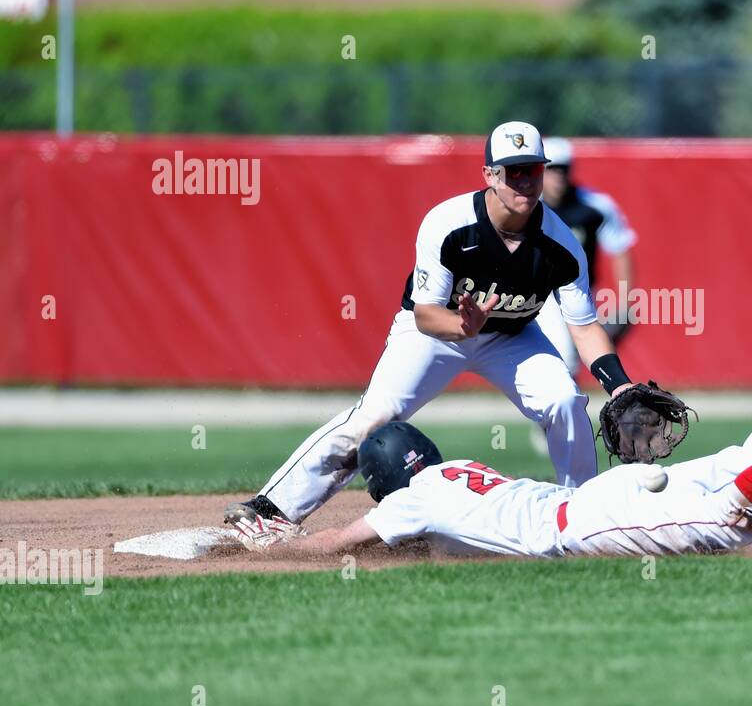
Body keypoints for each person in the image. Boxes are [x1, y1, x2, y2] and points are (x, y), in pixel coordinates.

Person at [224, 121, 647, 551]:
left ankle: (583, 513)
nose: (524, 181)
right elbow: (426, 314)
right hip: (434, 334)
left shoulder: (560, 243)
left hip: (512, 337)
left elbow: (583, 325)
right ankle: (271, 509)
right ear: (489, 175)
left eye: (532, 170)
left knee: (564, 400)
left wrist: (620, 385)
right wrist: (462, 326)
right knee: (375, 415)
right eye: (512, 171)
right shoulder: (449, 223)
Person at [256, 307, 752, 558]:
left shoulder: (407, 504)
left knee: (730, 521)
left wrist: (279, 545)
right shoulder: (457, 471)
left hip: (585, 526)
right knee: (748, 454)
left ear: (384, 483)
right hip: (590, 496)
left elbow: (341, 543)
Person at [534, 136, 638, 375]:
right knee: (565, 359)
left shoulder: (593, 206)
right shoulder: (528, 207)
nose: (559, 175)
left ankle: (563, 408)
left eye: (564, 169)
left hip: (578, 291)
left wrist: (626, 301)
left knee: (571, 359)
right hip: (539, 292)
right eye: (552, 169)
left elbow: (620, 249)